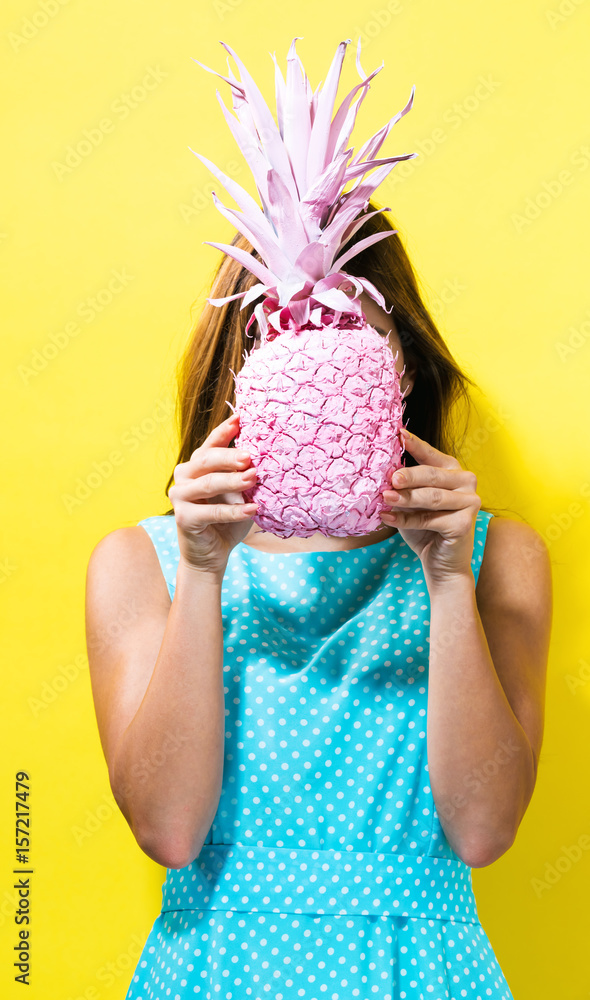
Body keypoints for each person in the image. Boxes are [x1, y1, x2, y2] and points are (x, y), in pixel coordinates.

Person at [85, 205, 552, 999]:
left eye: (349, 340)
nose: (319, 383)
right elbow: (166, 830)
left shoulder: (495, 559)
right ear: (242, 368)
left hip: (425, 973)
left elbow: (483, 830)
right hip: (215, 968)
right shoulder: (143, 564)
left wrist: (445, 581)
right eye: (286, 339)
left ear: (402, 366)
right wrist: (203, 572)